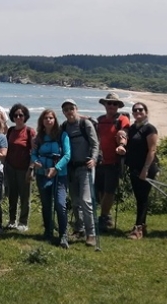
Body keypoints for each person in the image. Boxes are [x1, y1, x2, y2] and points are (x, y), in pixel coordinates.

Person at [60, 99, 100, 247]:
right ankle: (79, 229)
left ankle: (91, 234)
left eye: (71, 108)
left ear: (76, 109)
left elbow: (95, 144)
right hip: (71, 168)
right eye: (66, 110)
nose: (69, 111)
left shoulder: (85, 124)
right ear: (63, 112)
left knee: (85, 200)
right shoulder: (64, 126)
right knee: (75, 201)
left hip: (85, 167)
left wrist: (94, 159)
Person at [118, 102, 159, 240]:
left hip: (147, 168)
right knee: (139, 197)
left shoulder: (150, 129)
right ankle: (142, 226)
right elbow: (126, 141)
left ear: (146, 112)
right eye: (135, 110)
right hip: (134, 168)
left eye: (140, 109)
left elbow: (152, 150)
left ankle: (138, 229)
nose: (137, 112)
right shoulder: (132, 128)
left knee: (142, 198)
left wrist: (145, 169)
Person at [31, 109, 71, 248]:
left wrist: (56, 168)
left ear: (55, 120)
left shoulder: (62, 135)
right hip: (42, 174)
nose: (48, 120)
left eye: (51, 118)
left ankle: (63, 234)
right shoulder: (39, 137)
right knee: (46, 204)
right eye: (45, 118)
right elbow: (33, 153)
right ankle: (48, 231)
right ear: (42, 121)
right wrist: (35, 161)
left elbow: (67, 155)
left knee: (60, 204)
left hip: (60, 175)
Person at [95, 92, 130, 232]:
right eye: (109, 103)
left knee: (109, 191)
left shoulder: (122, 119)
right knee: (100, 191)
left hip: (114, 162)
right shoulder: (100, 120)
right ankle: (107, 216)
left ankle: (103, 217)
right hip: (99, 161)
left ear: (118, 106)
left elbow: (124, 133)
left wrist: (121, 145)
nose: (111, 106)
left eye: (114, 103)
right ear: (105, 104)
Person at [4, 103, 35, 233]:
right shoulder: (10, 131)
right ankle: (12, 220)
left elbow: (34, 151)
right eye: (16, 115)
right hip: (10, 168)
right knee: (12, 195)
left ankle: (23, 222)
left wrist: (31, 168)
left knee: (24, 197)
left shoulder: (29, 131)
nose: (18, 117)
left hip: (24, 169)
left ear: (25, 116)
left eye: (21, 115)